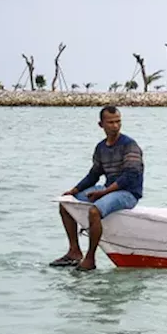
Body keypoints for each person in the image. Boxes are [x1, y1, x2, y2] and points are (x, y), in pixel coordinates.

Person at [53, 106, 145, 270]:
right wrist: (73, 191)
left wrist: (103, 193)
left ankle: (90, 258)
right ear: (101, 124)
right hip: (109, 189)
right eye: (110, 122)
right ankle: (74, 251)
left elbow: (130, 177)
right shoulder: (101, 147)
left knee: (94, 211)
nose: (115, 126)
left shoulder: (130, 145)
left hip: (128, 193)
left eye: (118, 122)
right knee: (65, 203)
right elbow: (94, 174)